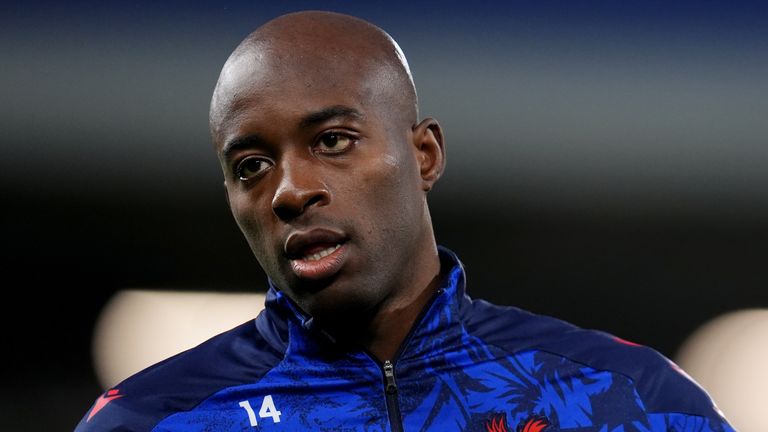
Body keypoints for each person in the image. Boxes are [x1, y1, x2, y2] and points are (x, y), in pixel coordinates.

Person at [76, 11, 735, 432]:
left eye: (332, 141)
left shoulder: (634, 402)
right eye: (251, 166)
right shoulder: (149, 421)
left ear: (425, 155)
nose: (290, 190)